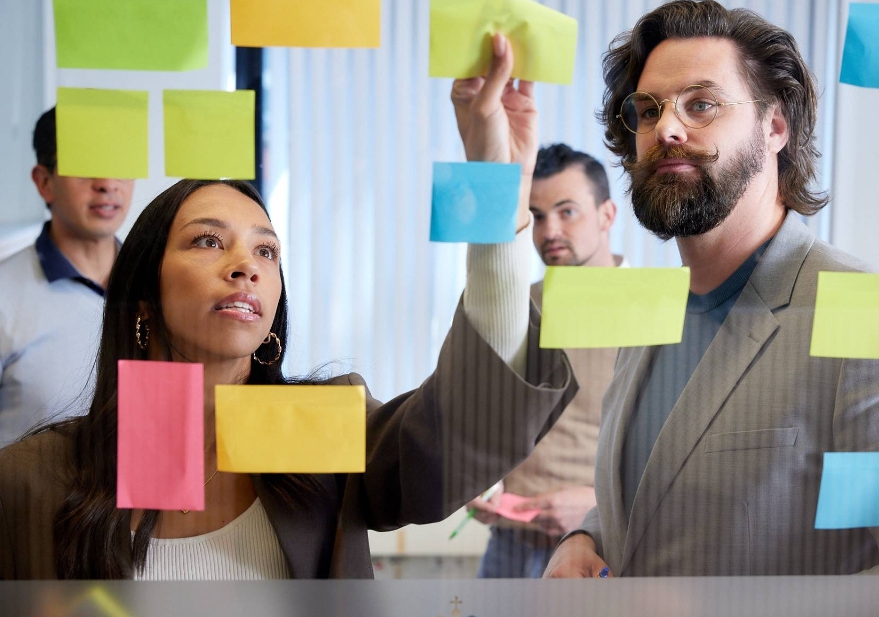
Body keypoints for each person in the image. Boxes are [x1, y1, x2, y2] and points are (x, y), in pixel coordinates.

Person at [0, 35, 578, 580]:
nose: (246, 265)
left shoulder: (316, 430)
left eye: (267, 250)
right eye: (207, 240)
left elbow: (461, 432)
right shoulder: (33, 480)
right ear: (143, 297)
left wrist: (499, 196)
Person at [543, 0, 879, 578]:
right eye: (648, 111)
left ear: (775, 126)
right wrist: (585, 537)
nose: (667, 127)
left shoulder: (875, 316)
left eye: (701, 104)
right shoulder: (654, 313)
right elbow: (661, 492)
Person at [470, 143, 623, 578]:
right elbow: (485, 420)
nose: (549, 229)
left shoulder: (656, 310)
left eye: (567, 211)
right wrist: (478, 481)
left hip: (600, 546)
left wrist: (596, 505)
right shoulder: (515, 306)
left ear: (607, 215)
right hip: (510, 545)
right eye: (536, 216)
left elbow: (675, 452)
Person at [0, 107, 134, 446]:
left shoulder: (158, 284)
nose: (107, 184)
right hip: (26, 498)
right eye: (85, 164)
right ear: (45, 182)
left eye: (120, 163)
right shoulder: (5, 292)